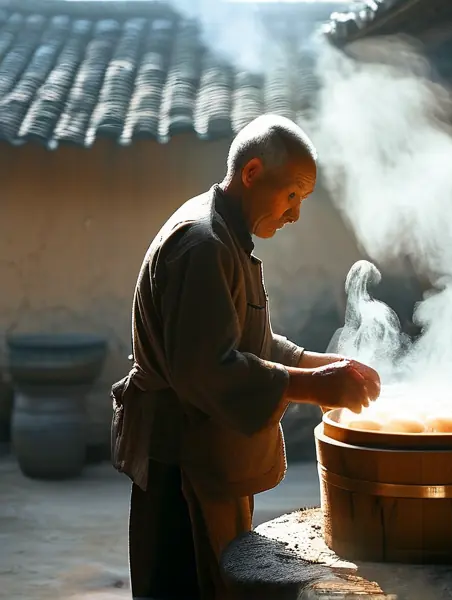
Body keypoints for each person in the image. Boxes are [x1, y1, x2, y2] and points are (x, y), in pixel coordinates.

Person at [110, 114, 381, 599]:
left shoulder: (229, 239)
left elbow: (253, 345)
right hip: (182, 461)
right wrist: (313, 388)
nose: (295, 213)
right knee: (188, 582)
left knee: (222, 577)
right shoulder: (202, 244)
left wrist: (328, 369)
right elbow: (207, 370)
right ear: (252, 173)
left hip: (211, 454)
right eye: (292, 195)